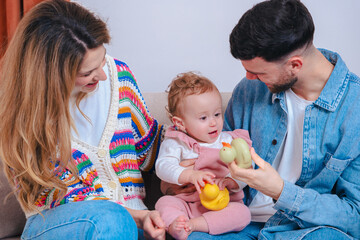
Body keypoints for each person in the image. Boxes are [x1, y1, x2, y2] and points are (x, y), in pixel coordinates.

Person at [0, 0, 166, 239]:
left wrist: (188, 155)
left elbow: (149, 151)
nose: (101, 74)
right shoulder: (25, 115)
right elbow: (64, 197)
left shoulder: (118, 75)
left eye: (102, 61)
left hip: (130, 226)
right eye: (87, 73)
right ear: (52, 75)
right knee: (111, 219)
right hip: (60, 225)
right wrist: (137, 216)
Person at [220, 0, 360, 239]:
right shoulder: (248, 90)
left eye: (259, 72)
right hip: (239, 223)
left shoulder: (354, 109)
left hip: (304, 231)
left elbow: (354, 216)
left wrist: (280, 191)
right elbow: (218, 154)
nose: (248, 77)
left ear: (295, 64)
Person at [154, 72, 251, 240]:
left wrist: (232, 181)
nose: (213, 122)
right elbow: (162, 167)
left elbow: (246, 170)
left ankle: (194, 225)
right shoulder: (177, 142)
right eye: (203, 117)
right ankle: (176, 224)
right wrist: (190, 175)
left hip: (222, 205)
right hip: (186, 203)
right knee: (163, 204)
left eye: (217, 114)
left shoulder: (229, 140)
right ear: (180, 123)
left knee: (243, 214)